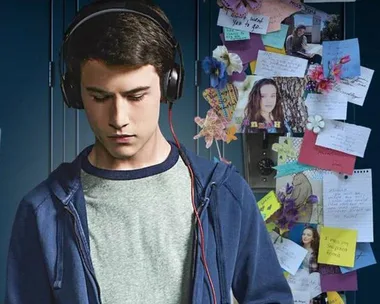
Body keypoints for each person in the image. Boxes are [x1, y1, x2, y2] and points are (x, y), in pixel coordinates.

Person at [4, 1, 293, 304]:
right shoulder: (42, 212)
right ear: (75, 94)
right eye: (100, 97)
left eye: (136, 96)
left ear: (169, 86)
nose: (119, 118)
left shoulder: (224, 192)